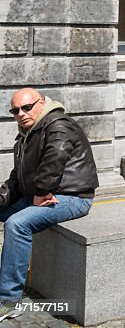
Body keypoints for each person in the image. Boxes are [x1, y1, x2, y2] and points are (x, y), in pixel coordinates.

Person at [0, 89, 98, 319]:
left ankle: (9, 300)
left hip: (72, 197)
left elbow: (56, 157)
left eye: (27, 107)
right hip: (40, 194)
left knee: (17, 224)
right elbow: (16, 179)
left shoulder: (58, 125)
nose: (21, 114)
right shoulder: (26, 134)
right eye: (15, 111)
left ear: (41, 103)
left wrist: (42, 191)